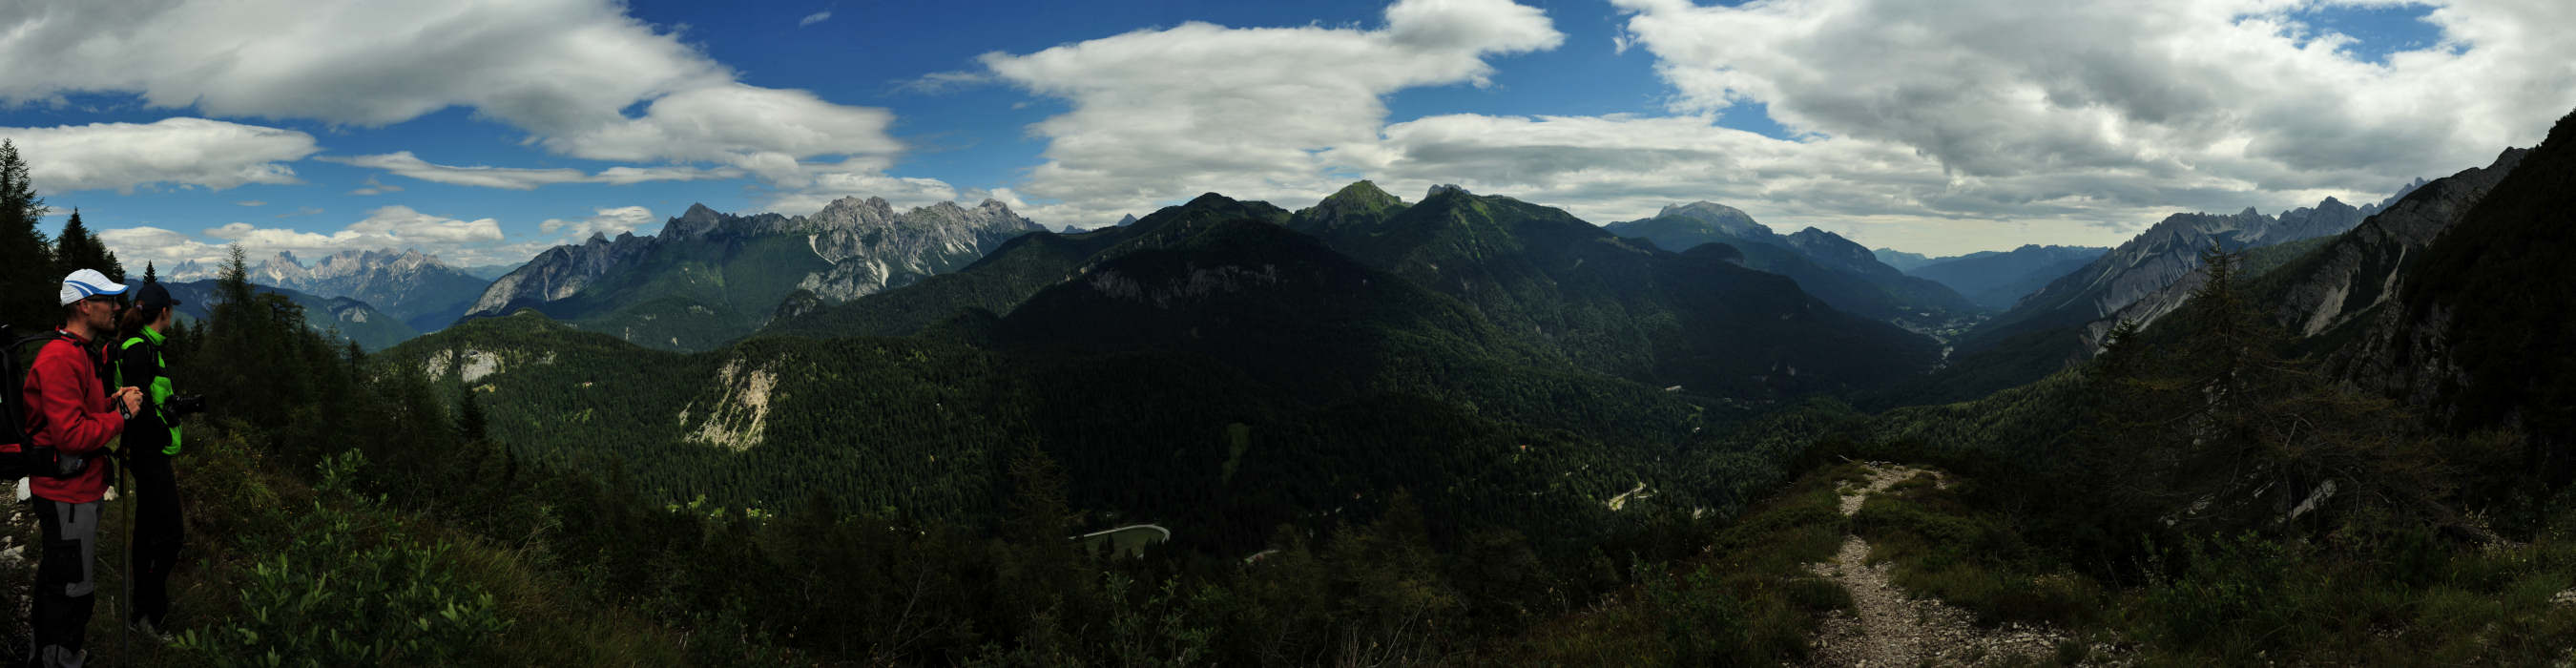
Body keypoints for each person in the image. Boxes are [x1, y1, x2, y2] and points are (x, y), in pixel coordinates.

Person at [19, 269, 142, 668]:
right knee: (73, 586)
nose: (117, 307)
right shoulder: (59, 358)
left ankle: (51, 652)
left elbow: (80, 414)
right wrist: (121, 416)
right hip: (66, 493)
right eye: (108, 300)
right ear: (83, 306)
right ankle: (58, 660)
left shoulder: (76, 353)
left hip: (77, 489)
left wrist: (109, 403)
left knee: (62, 576)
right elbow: (71, 436)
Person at [112, 282, 185, 637]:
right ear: (165, 312)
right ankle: (150, 613)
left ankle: (142, 610)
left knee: (147, 532)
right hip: (149, 455)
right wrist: (165, 424)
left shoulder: (137, 345)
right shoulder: (141, 350)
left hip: (140, 453)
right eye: (172, 309)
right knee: (170, 534)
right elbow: (137, 409)